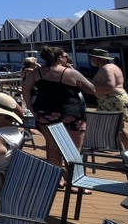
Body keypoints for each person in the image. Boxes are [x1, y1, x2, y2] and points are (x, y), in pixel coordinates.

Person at [22, 45, 95, 174]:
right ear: (60, 58)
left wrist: (30, 107)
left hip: (45, 112)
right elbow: (91, 89)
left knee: (52, 147)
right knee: (73, 148)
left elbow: (26, 88)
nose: (67, 58)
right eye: (66, 56)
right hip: (71, 113)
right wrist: (74, 71)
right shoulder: (70, 72)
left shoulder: (38, 72)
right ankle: (74, 180)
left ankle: (56, 177)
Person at [89, 48, 128, 150]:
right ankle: (123, 149)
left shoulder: (106, 68)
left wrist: (91, 85)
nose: (91, 59)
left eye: (92, 57)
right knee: (116, 126)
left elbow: (110, 85)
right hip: (112, 99)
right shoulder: (112, 67)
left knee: (118, 127)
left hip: (112, 99)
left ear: (97, 58)